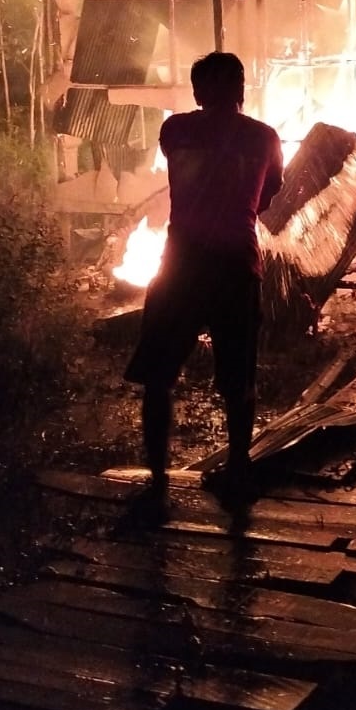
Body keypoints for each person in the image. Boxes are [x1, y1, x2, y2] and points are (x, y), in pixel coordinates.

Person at [124, 51, 284, 519]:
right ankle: (238, 472)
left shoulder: (175, 130)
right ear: (241, 90)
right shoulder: (264, 138)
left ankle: (158, 482)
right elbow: (268, 195)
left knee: (159, 378)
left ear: (197, 92)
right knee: (239, 381)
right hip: (236, 265)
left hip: (183, 266)